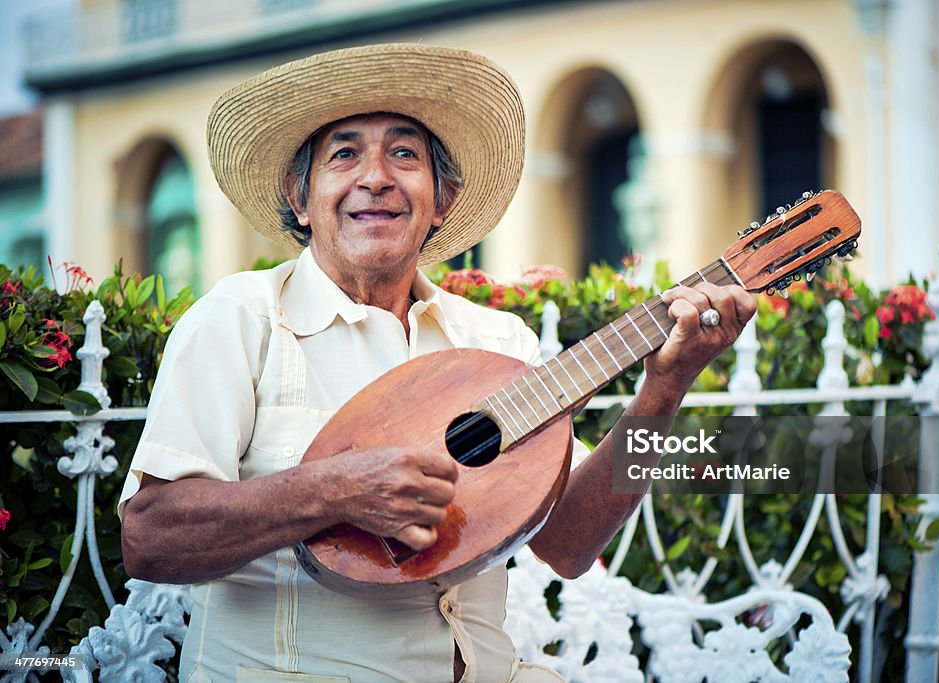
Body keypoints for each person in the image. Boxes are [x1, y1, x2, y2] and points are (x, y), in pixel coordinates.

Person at [119, 43, 756, 683]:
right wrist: (333, 489)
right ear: (300, 196)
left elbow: (564, 545)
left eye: (404, 155)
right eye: (344, 155)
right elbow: (149, 539)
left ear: (441, 197)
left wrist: (665, 390)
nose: (375, 178)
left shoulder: (497, 343)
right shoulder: (242, 318)